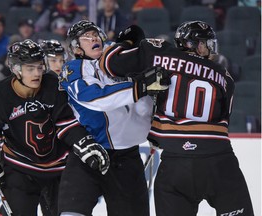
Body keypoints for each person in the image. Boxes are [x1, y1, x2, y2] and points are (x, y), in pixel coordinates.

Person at [100, 21, 254, 216]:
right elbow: (224, 119)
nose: (209, 49)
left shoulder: (159, 54)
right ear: (195, 44)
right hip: (218, 161)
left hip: (175, 162)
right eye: (206, 43)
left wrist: (127, 42)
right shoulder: (225, 76)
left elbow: (108, 63)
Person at [0, 39, 108, 216]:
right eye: (30, 69)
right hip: (20, 167)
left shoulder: (54, 86)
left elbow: (66, 122)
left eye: (39, 67)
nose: (37, 73)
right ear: (16, 70)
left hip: (59, 167)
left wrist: (84, 142)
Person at [57, 20, 169, 216]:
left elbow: (144, 107)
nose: (94, 39)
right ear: (76, 48)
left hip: (127, 159)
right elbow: (93, 97)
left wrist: (156, 123)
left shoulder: (119, 64)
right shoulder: (74, 68)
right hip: (89, 153)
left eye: (96, 35)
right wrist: (140, 87)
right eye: (87, 37)